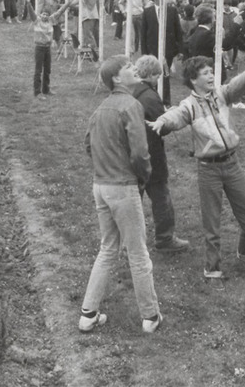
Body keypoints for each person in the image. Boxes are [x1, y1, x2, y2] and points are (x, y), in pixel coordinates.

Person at [151, 54, 245, 278]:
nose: (211, 76)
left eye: (211, 71)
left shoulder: (222, 94)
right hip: (209, 170)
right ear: (193, 79)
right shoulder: (189, 106)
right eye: (205, 73)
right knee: (212, 222)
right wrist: (162, 121)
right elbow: (175, 115)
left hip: (232, 165)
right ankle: (212, 267)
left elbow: (239, 82)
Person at [77, 56, 163, 334]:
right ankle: (150, 315)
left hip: (100, 185)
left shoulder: (100, 108)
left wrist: (106, 164)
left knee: (108, 248)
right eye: (128, 67)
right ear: (116, 78)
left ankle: (88, 313)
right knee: (138, 253)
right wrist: (143, 176)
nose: (134, 69)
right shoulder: (131, 105)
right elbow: (140, 153)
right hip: (123, 187)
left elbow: (88, 145)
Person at [131, 55, 190, 253]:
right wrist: (168, 116)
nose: (158, 79)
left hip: (132, 152)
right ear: (152, 75)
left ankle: (129, 239)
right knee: (160, 196)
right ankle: (165, 238)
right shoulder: (150, 96)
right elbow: (161, 127)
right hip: (151, 153)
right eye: (157, 76)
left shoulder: (131, 90)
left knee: (133, 199)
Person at [32, 2, 70, 98]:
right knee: (38, 70)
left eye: (47, 14)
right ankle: (37, 92)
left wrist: (67, 3)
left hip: (47, 49)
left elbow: (60, 12)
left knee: (47, 69)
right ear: (40, 14)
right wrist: (28, 3)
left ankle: (46, 89)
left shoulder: (51, 20)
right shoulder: (36, 21)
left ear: (49, 16)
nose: (45, 16)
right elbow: (31, 12)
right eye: (43, 14)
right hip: (39, 48)